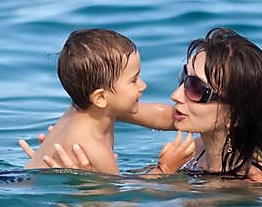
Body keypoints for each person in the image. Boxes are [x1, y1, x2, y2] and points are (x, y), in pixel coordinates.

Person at [23, 28, 262, 184]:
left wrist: (92, 181)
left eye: (196, 89)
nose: (175, 94)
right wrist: (59, 162)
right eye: (184, 79)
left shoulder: (255, 184)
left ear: (236, 115)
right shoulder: (196, 152)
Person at [23, 28, 195, 175]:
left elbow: (159, 116)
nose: (143, 86)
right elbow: (118, 200)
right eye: (134, 80)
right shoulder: (95, 149)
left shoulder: (91, 110)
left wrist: (193, 116)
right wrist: (165, 168)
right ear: (101, 97)